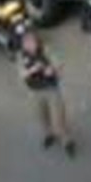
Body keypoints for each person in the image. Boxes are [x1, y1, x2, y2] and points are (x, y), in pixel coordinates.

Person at [17, 25, 75, 157]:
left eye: (32, 41)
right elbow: (22, 74)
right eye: (26, 42)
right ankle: (49, 134)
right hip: (35, 91)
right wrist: (33, 70)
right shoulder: (21, 56)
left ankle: (66, 141)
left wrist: (51, 70)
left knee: (58, 117)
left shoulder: (45, 50)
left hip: (50, 89)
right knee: (41, 116)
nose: (30, 45)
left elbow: (58, 64)